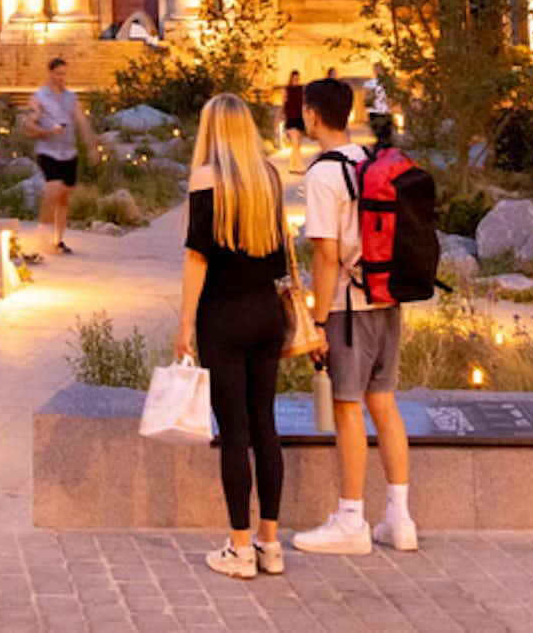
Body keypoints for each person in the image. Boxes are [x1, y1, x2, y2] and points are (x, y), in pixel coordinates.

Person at [292, 76, 417, 556]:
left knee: (347, 409)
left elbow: (326, 256)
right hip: (388, 298)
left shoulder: (323, 175)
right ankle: (399, 519)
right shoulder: (368, 161)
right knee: (383, 403)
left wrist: (317, 320)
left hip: (348, 307)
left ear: (312, 116)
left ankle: (350, 519)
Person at [173, 92, 288, 580]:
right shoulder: (270, 177)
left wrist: (183, 324)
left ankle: (239, 550)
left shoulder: (205, 180)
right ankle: (270, 544)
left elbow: (197, 258)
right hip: (267, 311)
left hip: (223, 316)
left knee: (235, 431)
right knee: (266, 425)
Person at [22, 56, 96, 256]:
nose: (62, 77)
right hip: (48, 150)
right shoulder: (40, 98)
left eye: (64, 73)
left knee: (63, 196)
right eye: (58, 73)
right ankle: (42, 235)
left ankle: (58, 240)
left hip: (68, 151)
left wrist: (91, 146)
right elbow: (28, 125)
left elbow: (81, 121)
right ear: (51, 73)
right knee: (53, 189)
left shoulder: (71, 97)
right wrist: (46, 132)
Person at [281, 71, 306, 148]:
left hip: (300, 118)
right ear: (291, 78)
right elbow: (283, 104)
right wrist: (282, 116)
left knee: (298, 144)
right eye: (294, 77)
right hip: (291, 118)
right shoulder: (286, 89)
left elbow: (304, 103)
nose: (296, 79)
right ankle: (297, 160)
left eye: (297, 78)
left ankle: (296, 160)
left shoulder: (302, 89)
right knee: (295, 143)